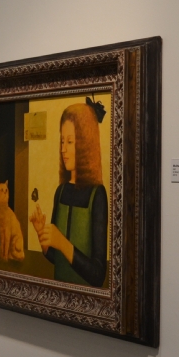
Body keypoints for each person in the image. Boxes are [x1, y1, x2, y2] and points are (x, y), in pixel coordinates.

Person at [29, 102, 108, 287]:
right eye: (62, 141)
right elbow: (57, 258)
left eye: (70, 142)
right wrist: (43, 237)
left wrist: (62, 242)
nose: (63, 149)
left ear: (85, 144)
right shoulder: (61, 191)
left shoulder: (97, 195)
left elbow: (97, 275)